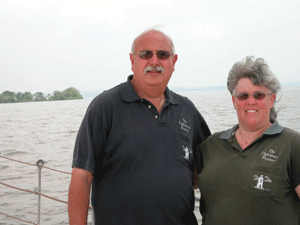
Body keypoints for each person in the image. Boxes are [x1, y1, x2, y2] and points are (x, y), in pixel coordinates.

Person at [68, 28, 211, 225]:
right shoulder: (104, 108)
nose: (154, 61)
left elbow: (209, 167)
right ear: (132, 60)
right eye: (145, 54)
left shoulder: (187, 110)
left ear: (174, 61)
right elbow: (81, 177)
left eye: (162, 55)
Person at [195, 56, 300, 225]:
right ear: (234, 101)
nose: (251, 102)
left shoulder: (293, 145)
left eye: (258, 95)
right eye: (243, 96)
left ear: (271, 99)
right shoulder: (211, 146)